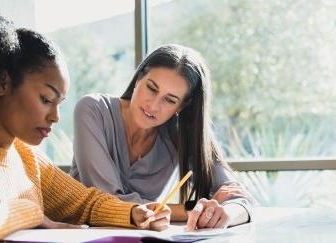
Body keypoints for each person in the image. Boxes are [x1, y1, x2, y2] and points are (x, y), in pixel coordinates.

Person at [0, 11, 170, 243]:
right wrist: (31, 212)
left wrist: (134, 214)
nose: (55, 117)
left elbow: (85, 204)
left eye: (59, 104)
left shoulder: (27, 157)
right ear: (3, 83)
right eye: (46, 99)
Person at [70, 44, 253, 231]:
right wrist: (191, 209)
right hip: (78, 235)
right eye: (151, 88)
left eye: (170, 100)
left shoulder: (182, 132)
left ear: (181, 107)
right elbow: (108, 202)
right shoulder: (92, 110)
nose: (154, 105)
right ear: (138, 78)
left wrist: (224, 214)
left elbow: (238, 198)